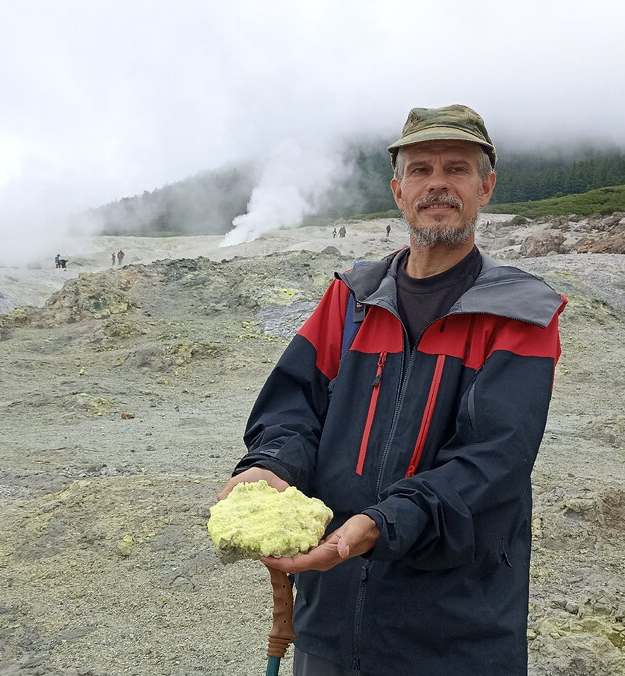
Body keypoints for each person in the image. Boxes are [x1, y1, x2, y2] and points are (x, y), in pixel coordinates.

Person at [218, 104, 566, 674]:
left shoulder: (520, 317)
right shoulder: (351, 299)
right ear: (398, 190)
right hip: (327, 620)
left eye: (457, 169)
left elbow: (493, 460)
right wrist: (273, 464)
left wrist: (382, 523)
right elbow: (294, 407)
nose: (438, 184)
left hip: (454, 631)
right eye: (421, 169)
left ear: (486, 188)